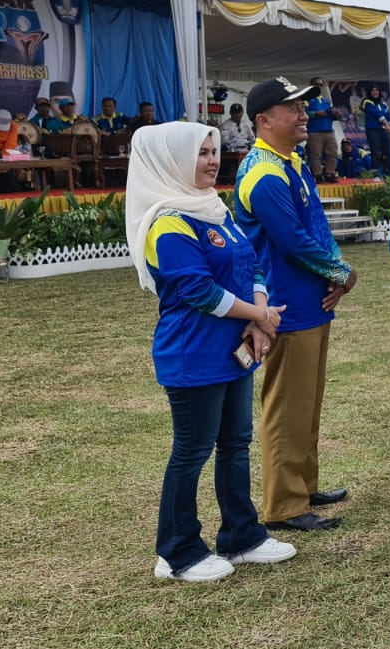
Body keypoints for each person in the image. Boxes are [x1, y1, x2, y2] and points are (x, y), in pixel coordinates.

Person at [125, 122, 295, 582]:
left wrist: (258, 312)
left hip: (232, 349)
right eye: (200, 153)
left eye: (213, 150)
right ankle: (177, 552)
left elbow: (251, 263)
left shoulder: (212, 209)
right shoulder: (168, 222)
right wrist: (258, 318)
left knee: (235, 443)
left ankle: (242, 537)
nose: (212, 160)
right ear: (170, 161)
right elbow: (199, 291)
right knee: (192, 450)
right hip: (193, 353)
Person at [235, 77, 358, 532]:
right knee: (287, 404)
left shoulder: (288, 163)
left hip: (309, 300)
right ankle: (284, 505)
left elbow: (317, 233)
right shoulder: (265, 173)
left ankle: (304, 485)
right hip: (285, 304)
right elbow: (295, 243)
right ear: (264, 120)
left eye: (303, 107)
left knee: (307, 400)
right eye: (293, 108)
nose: (304, 114)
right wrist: (342, 273)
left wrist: (335, 276)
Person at [304, 79, 339, 182]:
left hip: (329, 130)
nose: (319, 86)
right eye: (316, 84)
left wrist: (336, 114)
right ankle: (318, 174)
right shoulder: (306, 100)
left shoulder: (326, 101)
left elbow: (331, 114)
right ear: (311, 85)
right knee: (316, 154)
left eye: (321, 85)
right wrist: (316, 114)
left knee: (332, 152)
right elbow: (305, 113)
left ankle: (330, 173)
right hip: (314, 131)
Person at [360, 85, 390, 176]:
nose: (375, 92)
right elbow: (376, 114)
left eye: (377, 90)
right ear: (370, 92)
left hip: (384, 130)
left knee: (389, 152)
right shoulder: (367, 101)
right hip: (373, 130)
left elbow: (388, 116)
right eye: (373, 90)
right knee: (375, 153)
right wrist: (386, 124)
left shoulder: (383, 104)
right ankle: (375, 174)